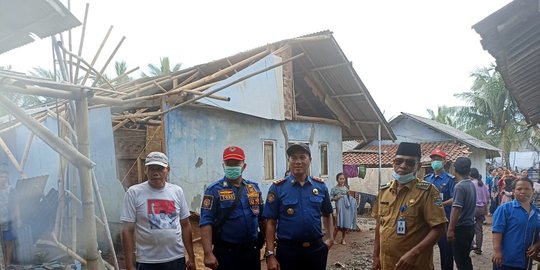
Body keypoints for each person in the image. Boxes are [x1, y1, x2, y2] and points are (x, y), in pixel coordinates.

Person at [372, 142, 447, 270]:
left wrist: (414, 253)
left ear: (419, 166)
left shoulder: (428, 192)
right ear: (393, 163)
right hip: (387, 264)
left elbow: (439, 228)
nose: (403, 166)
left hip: (414, 265)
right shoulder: (384, 191)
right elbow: (380, 225)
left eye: (410, 162)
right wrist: (375, 256)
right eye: (399, 161)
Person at [263, 143, 334, 270]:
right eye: (294, 158)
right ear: (288, 161)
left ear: (310, 160)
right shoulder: (278, 188)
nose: (298, 162)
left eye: (302, 157)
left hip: (316, 250)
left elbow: (327, 214)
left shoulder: (320, 187)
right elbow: (271, 223)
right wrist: (270, 254)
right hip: (288, 252)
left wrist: (330, 239)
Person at [121, 152, 196, 270]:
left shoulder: (177, 191)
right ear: (145, 170)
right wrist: (129, 264)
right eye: (151, 169)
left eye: (160, 169)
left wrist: (191, 257)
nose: (155, 173)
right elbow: (127, 230)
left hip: (176, 258)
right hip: (147, 261)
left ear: (168, 170)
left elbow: (186, 225)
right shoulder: (134, 193)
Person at [199, 146, 264, 270]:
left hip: (252, 251)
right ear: (223, 165)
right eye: (229, 164)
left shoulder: (253, 188)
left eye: (236, 163)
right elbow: (205, 222)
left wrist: (268, 246)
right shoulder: (213, 190)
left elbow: (262, 218)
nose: (232, 167)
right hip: (226, 252)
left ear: (244, 166)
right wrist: (208, 253)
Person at [492, 177, 540, 270]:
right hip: (505, 259)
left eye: (527, 189)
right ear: (513, 191)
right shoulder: (505, 209)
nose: (523, 191)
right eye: (519, 189)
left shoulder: (537, 213)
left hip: (525, 261)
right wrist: (497, 251)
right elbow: (497, 231)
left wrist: (537, 245)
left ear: (533, 191)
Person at [423, 147, 455, 270]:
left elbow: (454, 198)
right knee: (425, 250)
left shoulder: (450, 179)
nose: (435, 161)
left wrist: (441, 204)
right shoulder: (427, 179)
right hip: (427, 221)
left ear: (444, 162)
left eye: (438, 159)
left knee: (446, 252)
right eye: (433, 159)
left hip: (444, 221)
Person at [447, 157, 476, 270]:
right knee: (465, 258)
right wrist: (442, 203)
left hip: (461, 229)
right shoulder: (470, 184)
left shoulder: (459, 186)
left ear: (454, 169)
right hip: (469, 227)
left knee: (460, 260)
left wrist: (450, 229)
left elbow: (456, 209)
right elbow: (455, 200)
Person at [331, 172, 357, 245]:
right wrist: (336, 198)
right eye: (340, 179)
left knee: (345, 225)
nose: (342, 180)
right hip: (338, 209)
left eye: (343, 179)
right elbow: (330, 198)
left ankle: (343, 239)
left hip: (346, 209)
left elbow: (349, 199)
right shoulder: (334, 189)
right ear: (337, 180)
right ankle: (332, 239)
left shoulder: (346, 188)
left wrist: (349, 196)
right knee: (337, 225)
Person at [469, 168, 490, 255]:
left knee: (469, 228)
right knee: (479, 229)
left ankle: (472, 244)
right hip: (482, 209)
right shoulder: (483, 184)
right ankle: (478, 249)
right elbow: (488, 198)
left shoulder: (471, 184)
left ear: (470, 174)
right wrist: (486, 210)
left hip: (473, 208)